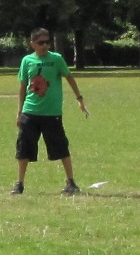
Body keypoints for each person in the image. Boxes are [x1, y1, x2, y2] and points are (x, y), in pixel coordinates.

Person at [11, 27, 87, 195]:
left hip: (52, 113)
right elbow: (23, 86)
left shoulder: (56, 59)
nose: (45, 46)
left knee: (61, 147)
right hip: (30, 112)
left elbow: (69, 77)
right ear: (32, 44)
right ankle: (19, 184)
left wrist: (79, 99)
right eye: (41, 43)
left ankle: (71, 182)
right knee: (24, 148)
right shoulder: (27, 61)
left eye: (47, 42)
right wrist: (19, 112)